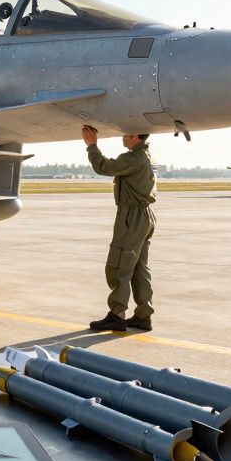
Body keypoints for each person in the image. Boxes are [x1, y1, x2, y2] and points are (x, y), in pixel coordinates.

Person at [82, 125, 156, 332]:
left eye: (125, 134)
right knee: (139, 269)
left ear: (134, 136)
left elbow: (103, 167)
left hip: (131, 217)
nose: (122, 137)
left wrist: (92, 146)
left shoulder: (133, 158)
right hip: (144, 216)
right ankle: (143, 315)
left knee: (120, 266)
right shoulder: (144, 155)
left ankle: (116, 315)